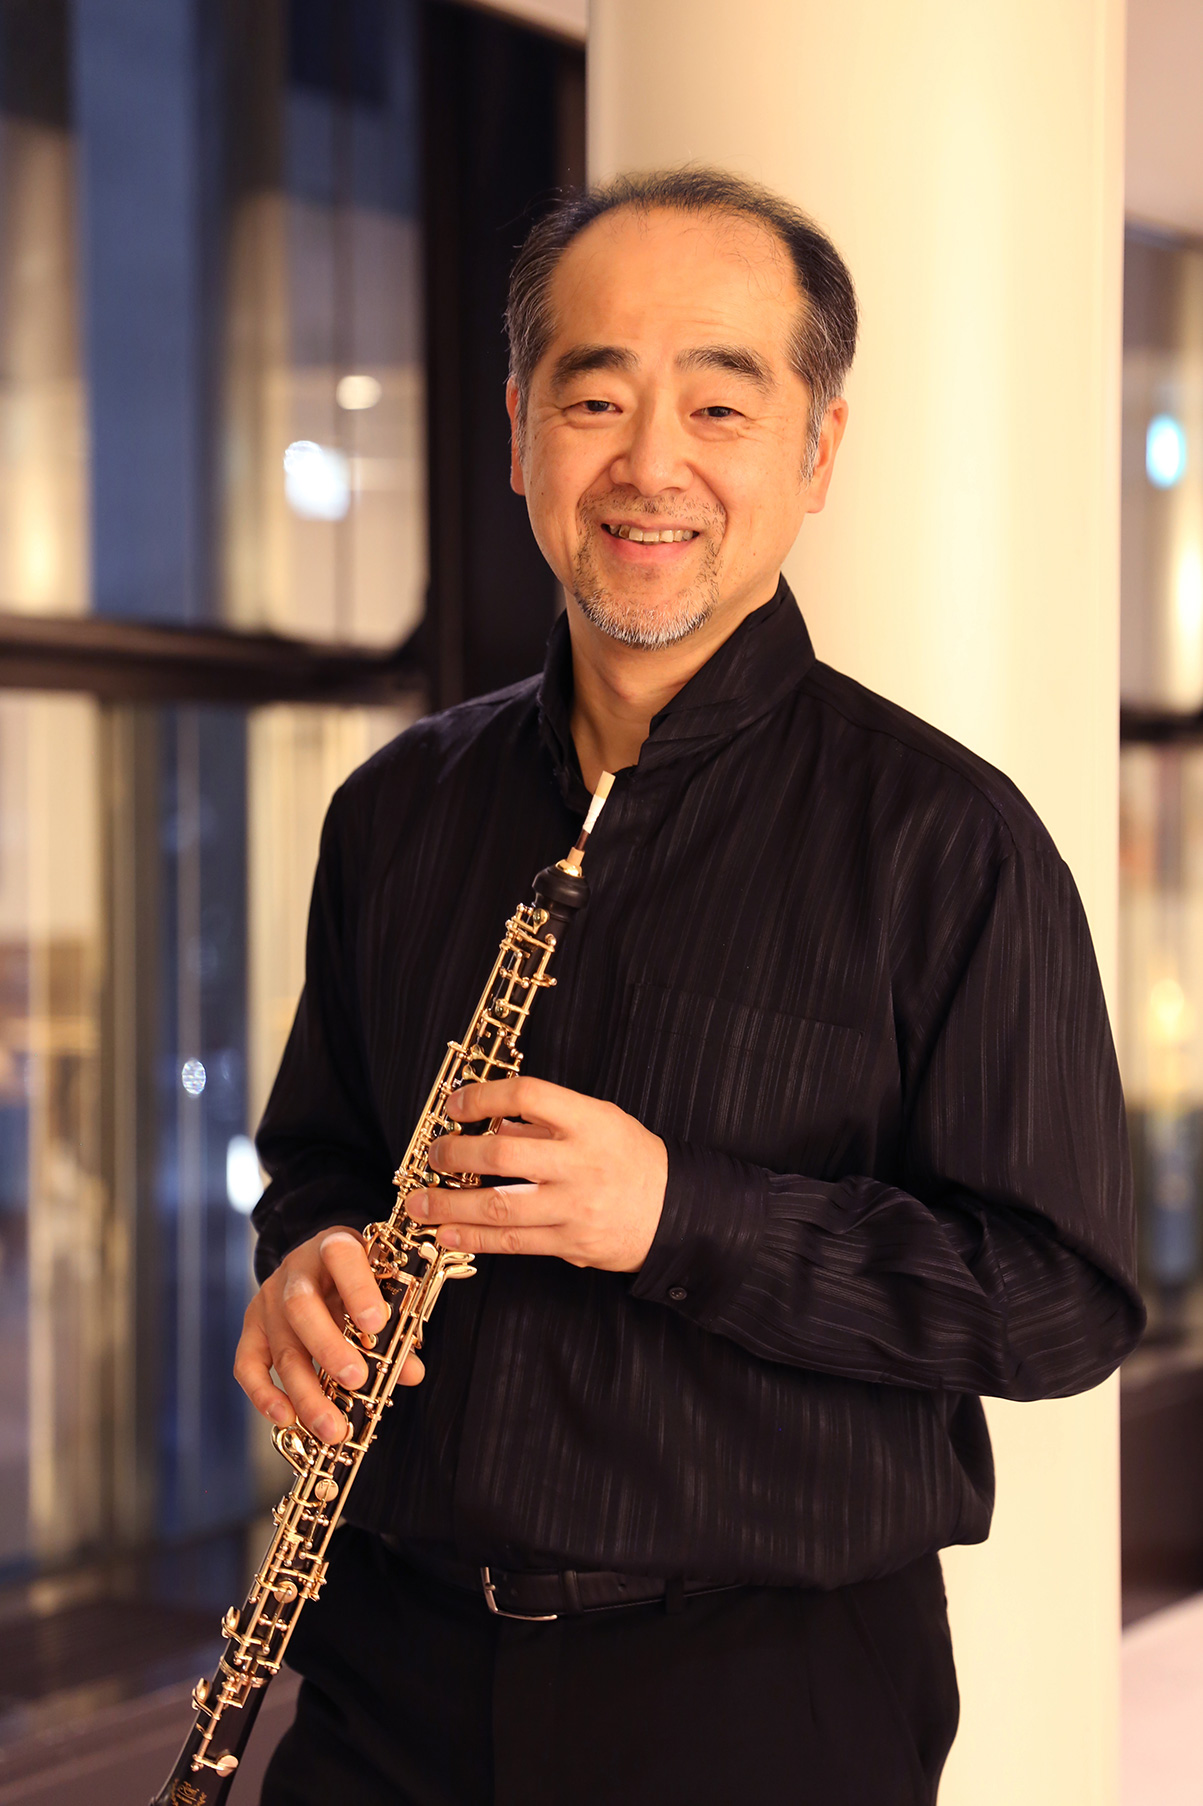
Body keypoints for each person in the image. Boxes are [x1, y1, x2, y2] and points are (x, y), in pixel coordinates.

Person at [239, 170, 1143, 1806]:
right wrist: (303, 1254)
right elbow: (320, 1152)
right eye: (595, 398)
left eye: (720, 406)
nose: (650, 463)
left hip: (757, 1698)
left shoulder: (947, 842)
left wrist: (682, 1213)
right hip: (391, 1675)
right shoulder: (397, 810)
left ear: (817, 451)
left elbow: (1061, 1294)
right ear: (519, 433)